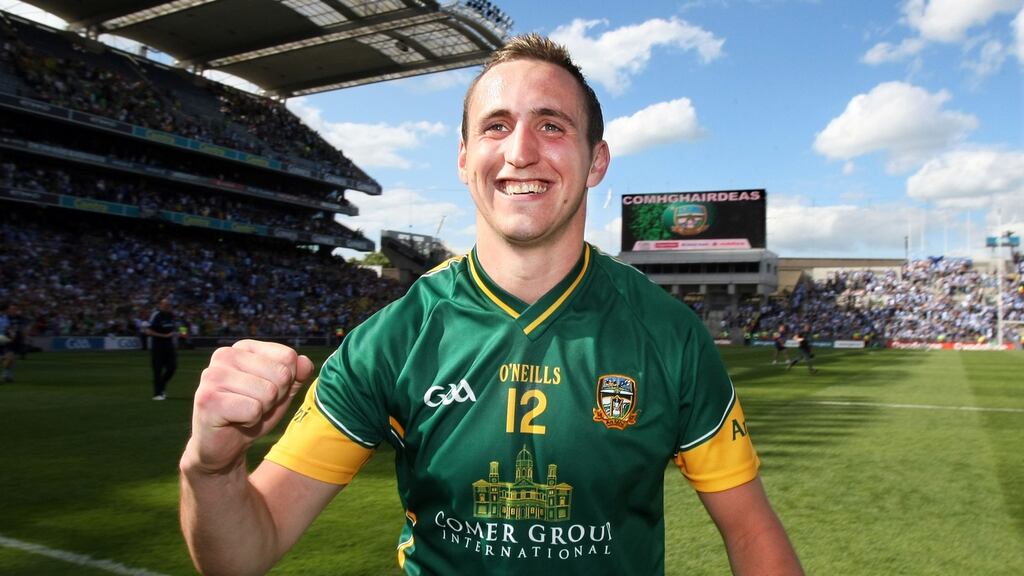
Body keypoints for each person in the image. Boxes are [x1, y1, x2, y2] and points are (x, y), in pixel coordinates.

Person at [179, 34, 803, 575]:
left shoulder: (669, 335)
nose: (520, 151)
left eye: (552, 125)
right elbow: (241, 555)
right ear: (462, 157)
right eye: (496, 126)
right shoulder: (393, 341)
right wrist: (211, 468)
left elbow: (750, 529)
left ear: (596, 162)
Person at [145, 297, 177, 400]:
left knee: (172, 368)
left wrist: (183, 333)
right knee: (157, 371)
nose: (167, 307)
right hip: (158, 347)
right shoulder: (156, 315)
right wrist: (165, 336)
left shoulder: (172, 315)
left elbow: (179, 327)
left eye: (168, 305)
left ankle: (161, 386)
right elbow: (148, 331)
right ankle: (157, 394)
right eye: (165, 305)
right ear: (160, 305)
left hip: (169, 347)